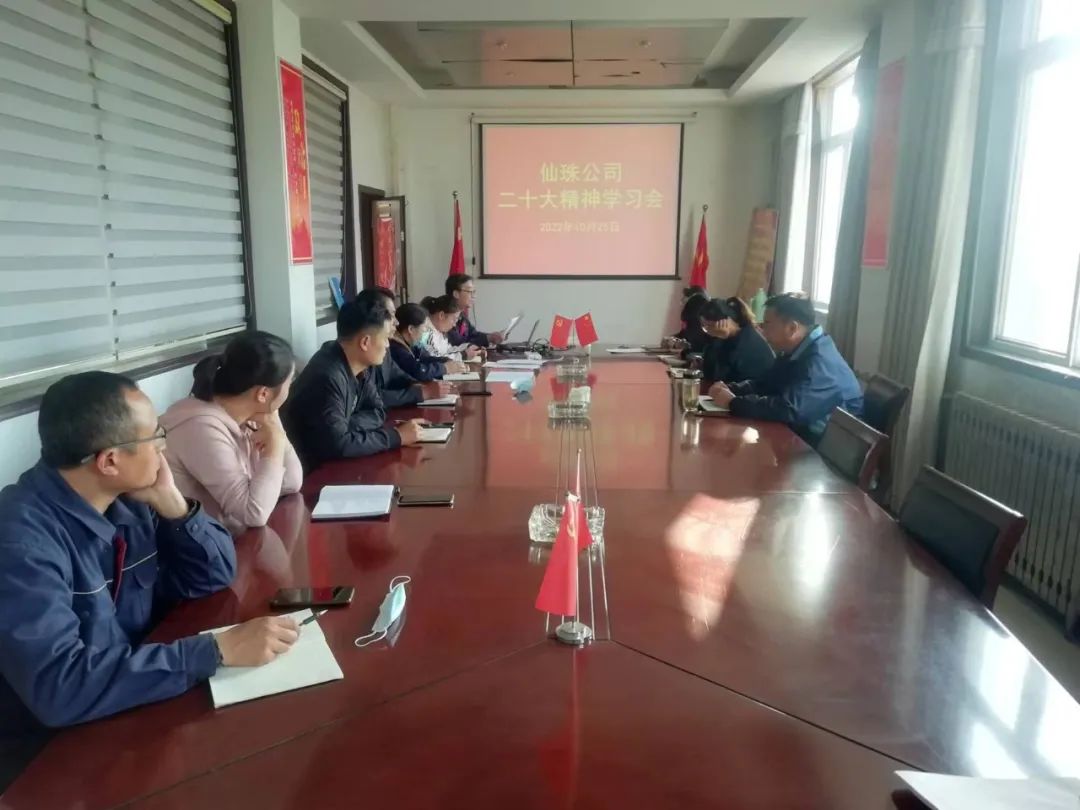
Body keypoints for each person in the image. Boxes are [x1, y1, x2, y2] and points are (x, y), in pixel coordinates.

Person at [0, 372, 299, 769]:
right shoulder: (21, 542)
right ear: (110, 461)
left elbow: (213, 575)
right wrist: (214, 651)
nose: (163, 446)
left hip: (131, 703)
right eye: (156, 435)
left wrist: (174, 505)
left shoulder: (130, 500)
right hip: (48, 755)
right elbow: (59, 687)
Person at [160, 331, 303, 535]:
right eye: (289, 383)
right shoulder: (200, 428)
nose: (289, 390)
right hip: (204, 546)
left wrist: (275, 429)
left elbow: (291, 482)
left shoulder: (250, 415)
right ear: (263, 393)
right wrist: (275, 447)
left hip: (233, 539)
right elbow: (253, 513)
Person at [283, 295, 425, 471]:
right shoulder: (327, 376)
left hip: (335, 464)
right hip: (310, 473)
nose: (388, 345)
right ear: (365, 342)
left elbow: (378, 411)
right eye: (385, 339)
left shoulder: (360, 367)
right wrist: (396, 437)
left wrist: (347, 425)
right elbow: (338, 445)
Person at [707, 293, 863, 445]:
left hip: (825, 448)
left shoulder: (819, 362)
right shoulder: (797, 349)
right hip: (800, 434)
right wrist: (731, 389)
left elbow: (789, 409)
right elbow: (766, 383)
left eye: (767, 323)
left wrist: (733, 402)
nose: (762, 330)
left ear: (792, 328)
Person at [363, 288, 453, 407]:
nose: (396, 322)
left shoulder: (386, 347)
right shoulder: (390, 347)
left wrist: (417, 385)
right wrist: (421, 393)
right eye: (391, 315)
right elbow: (370, 399)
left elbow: (397, 374)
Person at [699, 297, 775, 386]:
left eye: (708, 326)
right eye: (704, 326)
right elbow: (709, 374)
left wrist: (718, 339)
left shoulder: (746, 341)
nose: (706, 330)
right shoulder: (726, 337)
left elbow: (720, 377)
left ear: (724, 321)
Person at [389, 302, 468, 382]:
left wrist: (447, 361)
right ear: (411, 329)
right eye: (425, 328)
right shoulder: (396, 348)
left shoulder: (411, 343)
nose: (426, 332)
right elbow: (419, 371)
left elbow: (424, 358)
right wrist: (445, 368)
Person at [445, 274, 503, 348]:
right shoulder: (445, 317)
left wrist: (492, 337)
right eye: (470, 292)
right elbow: (457, 345)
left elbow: (473, 334)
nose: (474, 296)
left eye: (474, 292)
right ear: (456, 294)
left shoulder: (462, 315)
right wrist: (488, 338)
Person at [421, 294, 480, 361]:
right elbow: (436, 358)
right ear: (441, 315)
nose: (454, 325)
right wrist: (463, 355)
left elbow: (447, 351)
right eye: (454, 319)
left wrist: (467, 347)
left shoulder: (439, 331)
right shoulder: (425, 332)